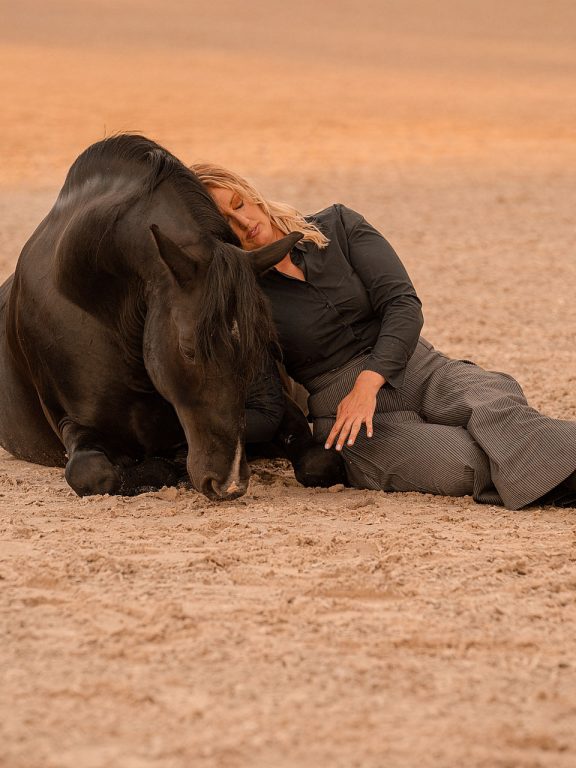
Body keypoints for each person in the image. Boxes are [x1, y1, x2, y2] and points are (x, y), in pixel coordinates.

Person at [191, 162, 576, 511]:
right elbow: (262, 397)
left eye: (238, 204)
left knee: (495, 404)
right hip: (347, 415)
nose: (242, 223)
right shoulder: (244, 296)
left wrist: (368, 383)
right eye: (228, 224)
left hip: (416, 366)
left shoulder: (338, 225)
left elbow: (403, 304)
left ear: (250, 193)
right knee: (461, 462)